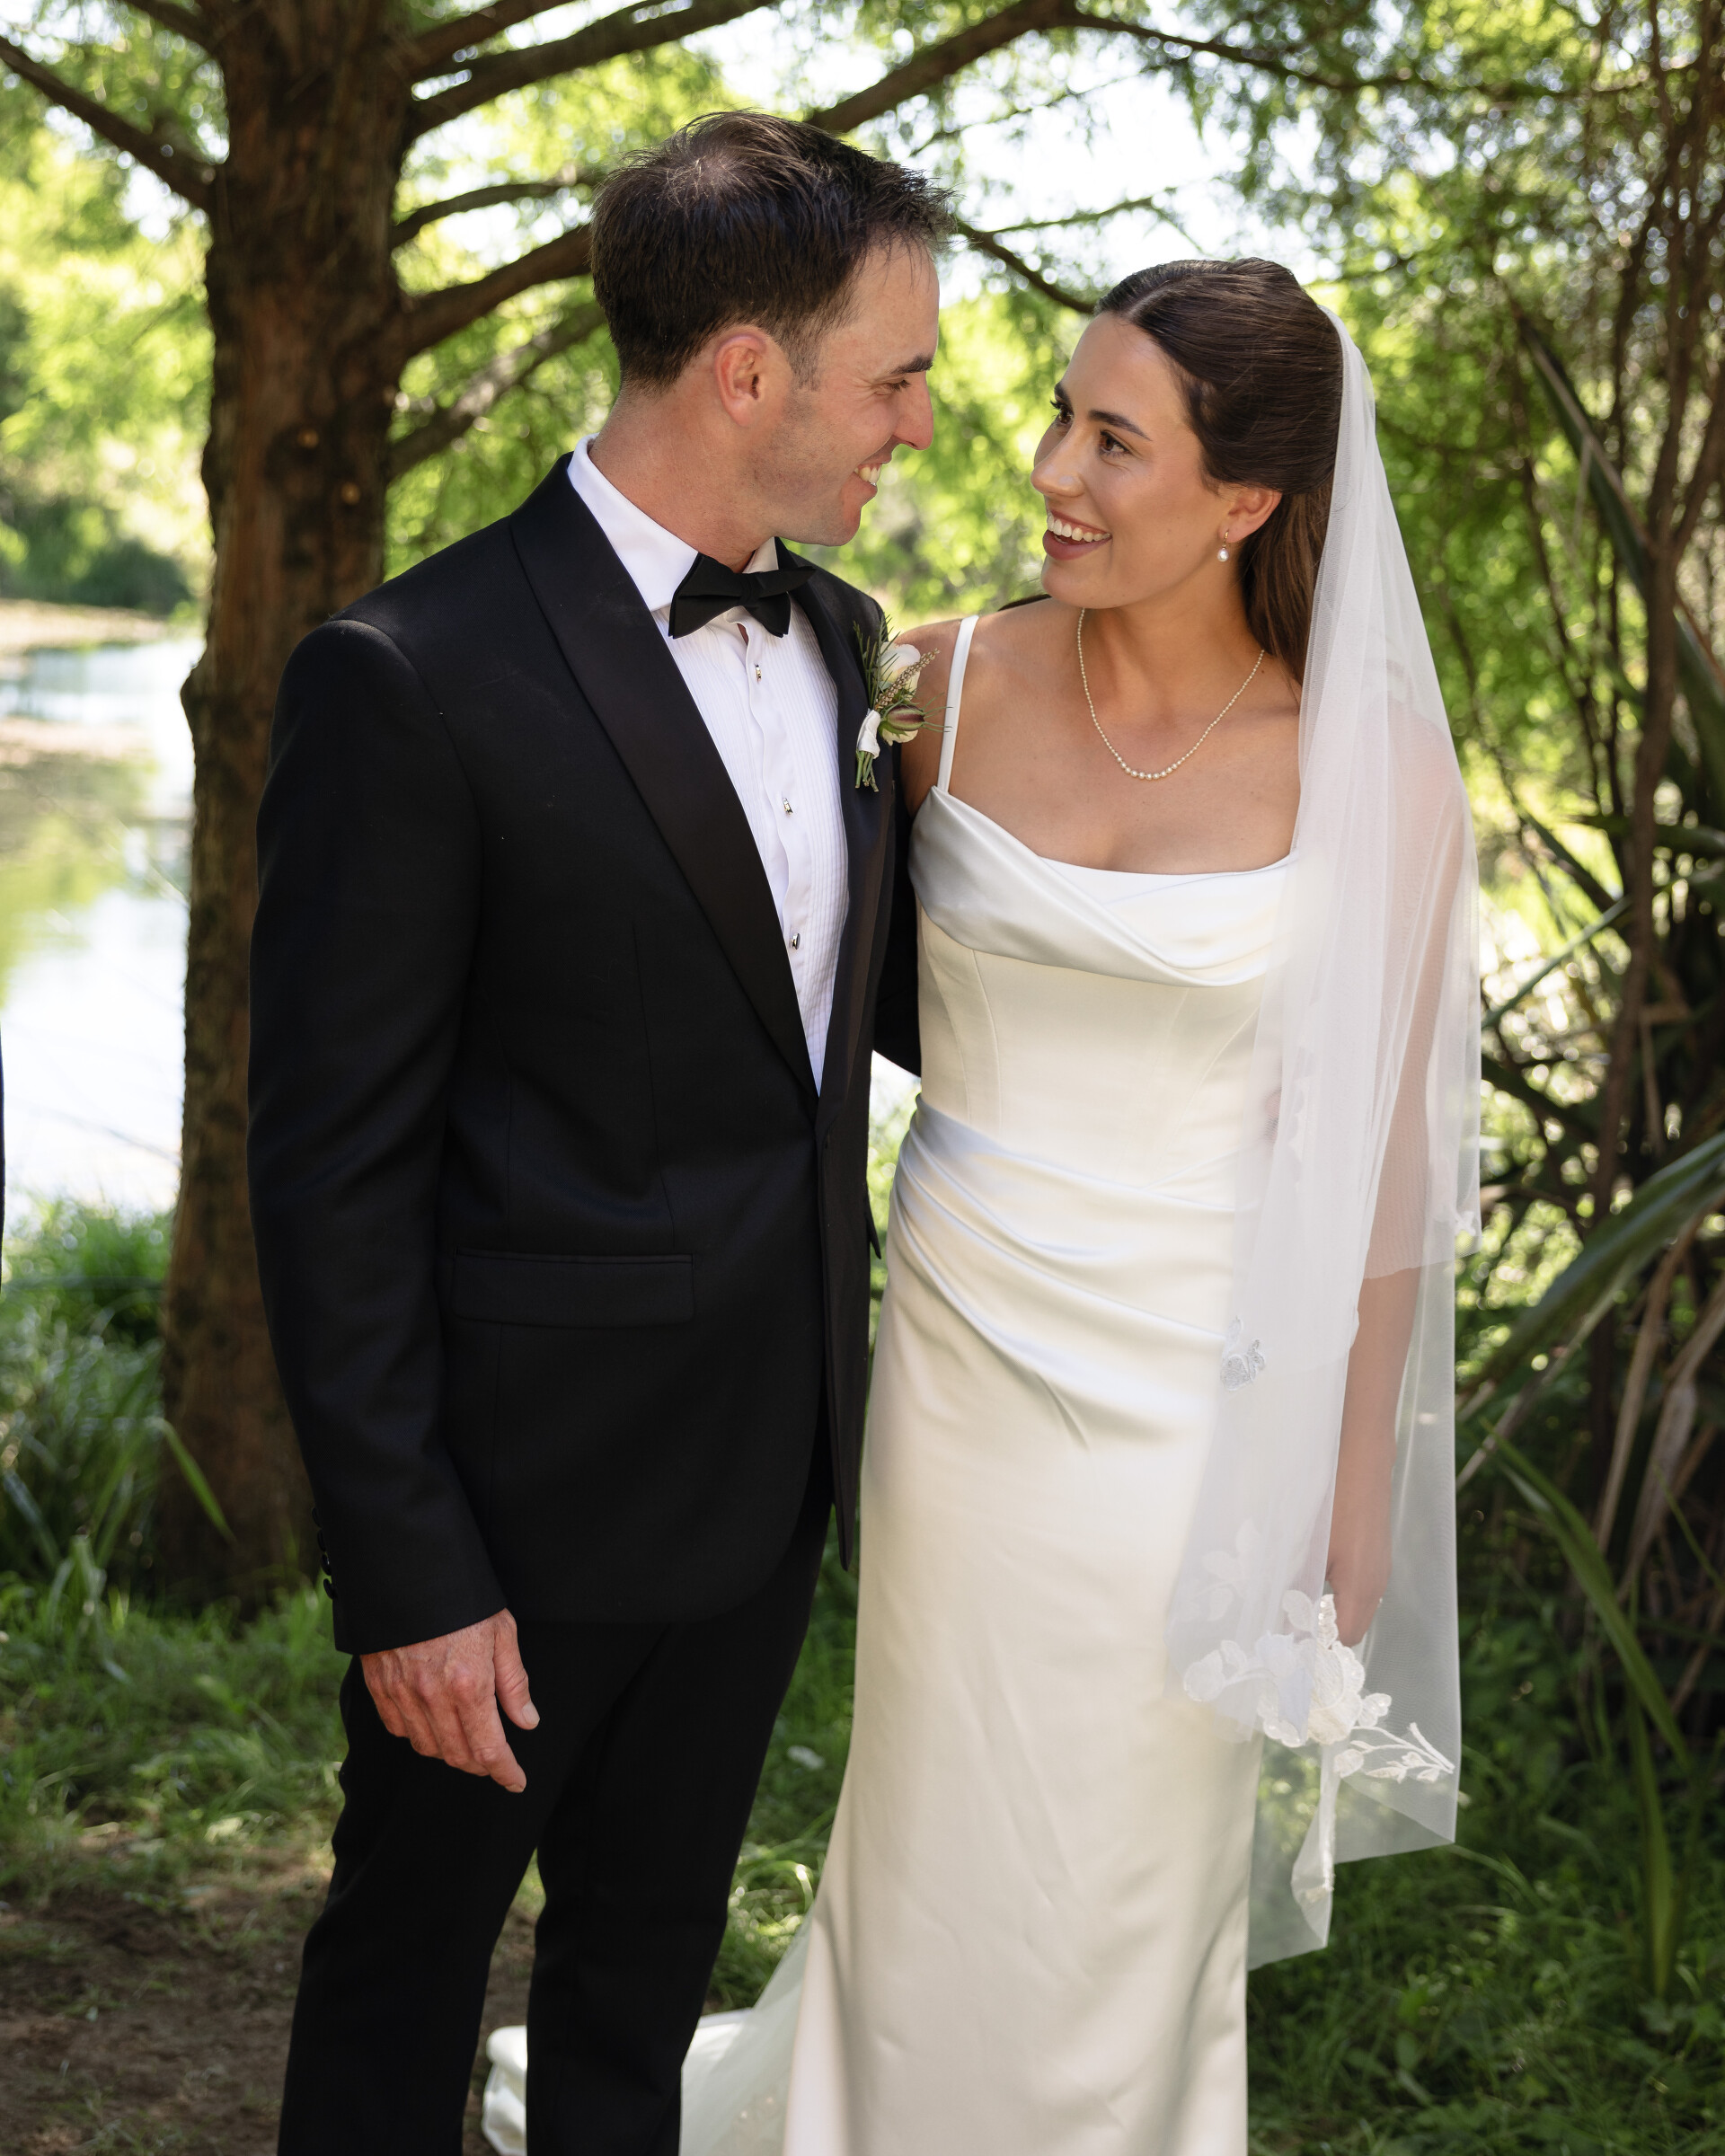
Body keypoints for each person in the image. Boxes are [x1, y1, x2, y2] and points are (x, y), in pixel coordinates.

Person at [662, 259, 1479, 2156]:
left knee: (1131, 1851)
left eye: (1115, 441)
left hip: (1205, 1391)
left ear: (1247, 498)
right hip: (958, 1357)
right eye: (1059, 415)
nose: (1051, 470)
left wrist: (1352, 1482)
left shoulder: (1369, 774)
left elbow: (1385, 1158)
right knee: (938, 1804)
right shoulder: (925, 685)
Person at [248, 112, 947, 2155]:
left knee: (637, 2001)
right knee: (399, 2000)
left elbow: (862, 1015)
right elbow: (332, 1172)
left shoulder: (850, 645)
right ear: (747, 373)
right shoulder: (408, 676)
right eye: (895, 378)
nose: (919, 423)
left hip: (768, 1485)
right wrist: (410, 1575)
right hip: (512, 1521)